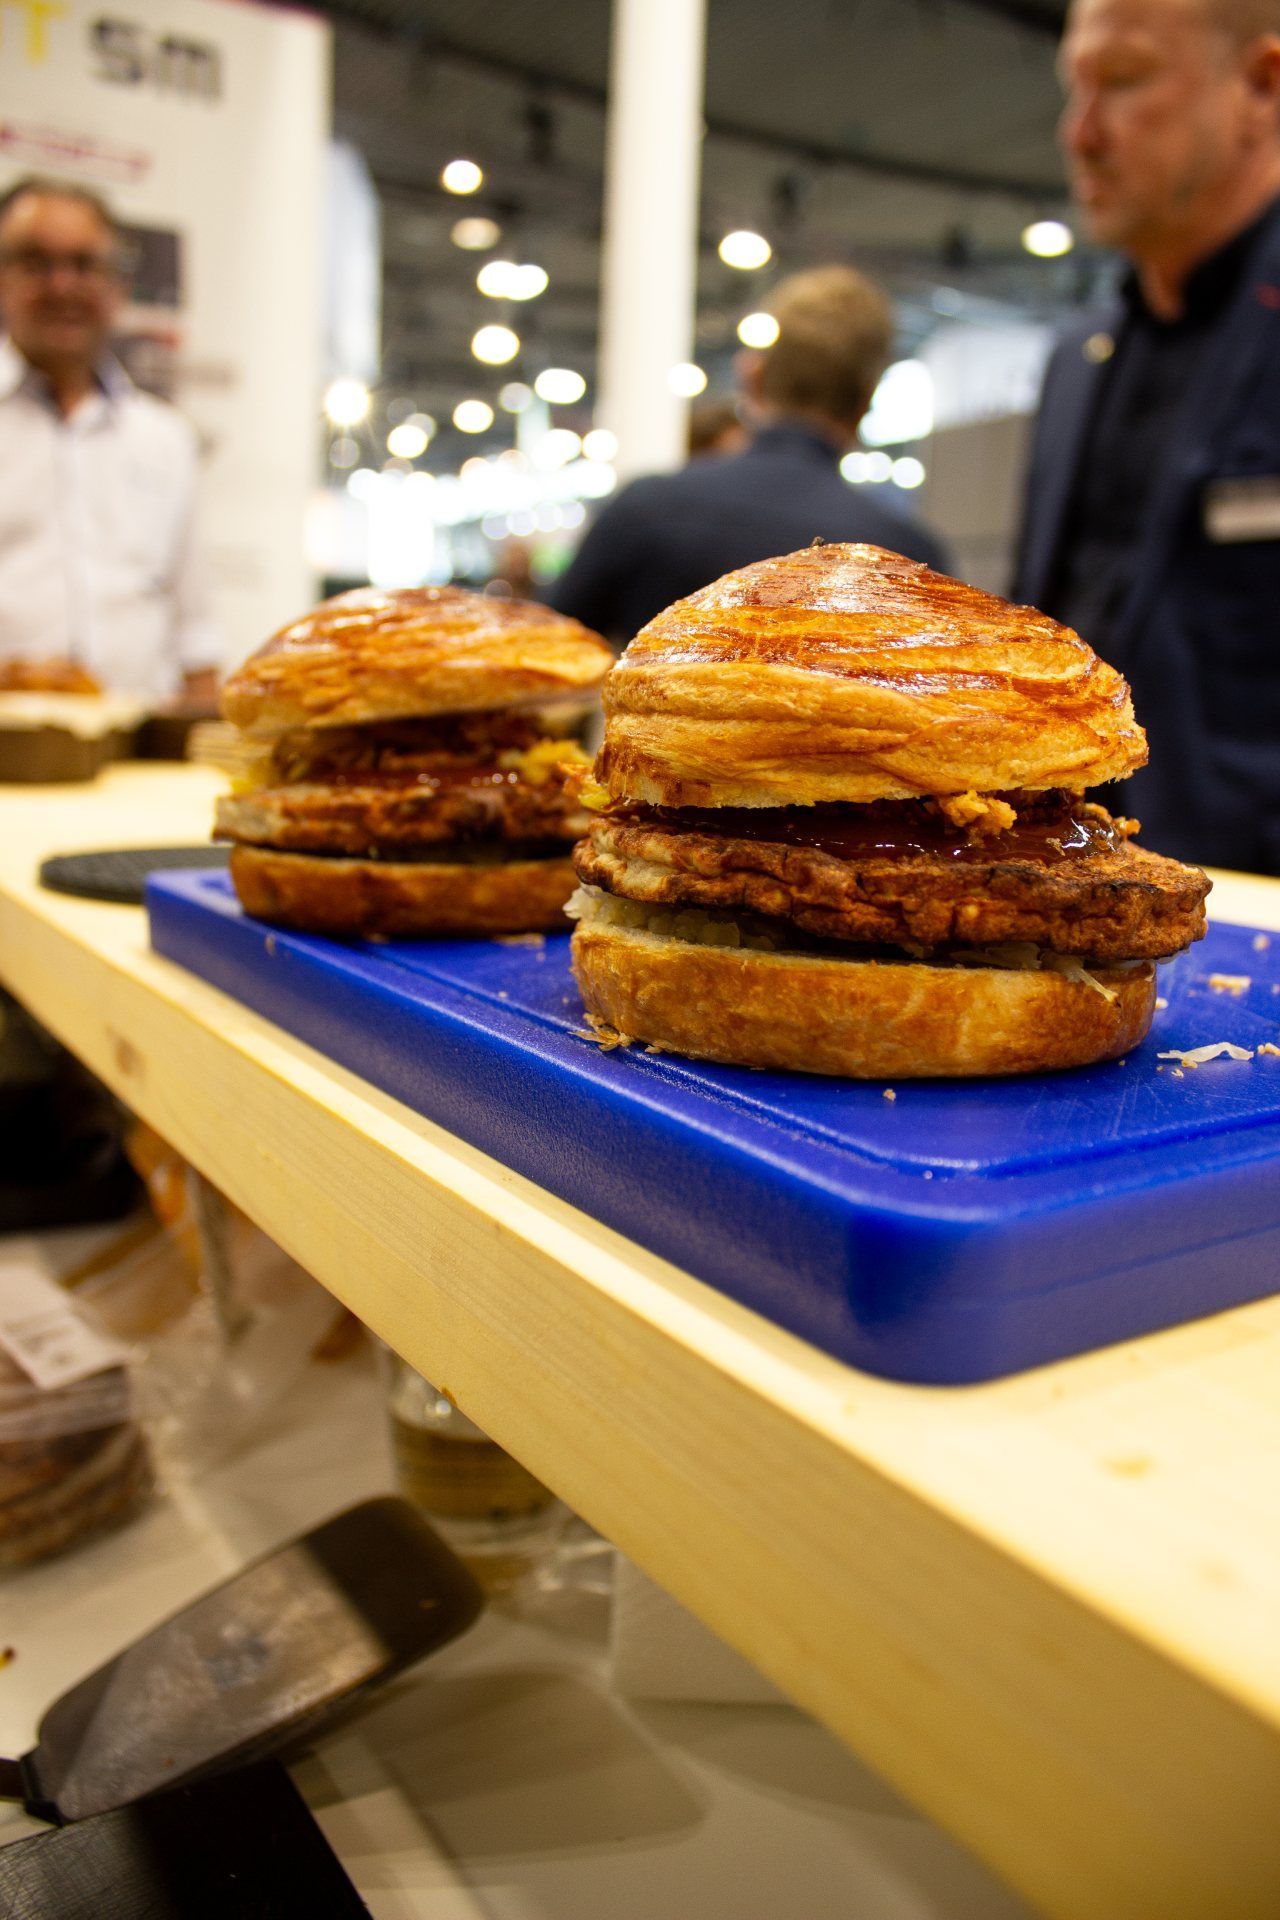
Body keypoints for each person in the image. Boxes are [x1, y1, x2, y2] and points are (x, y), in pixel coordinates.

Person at [1014, 0, 1280, 872]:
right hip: (1063, 898)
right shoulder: (1073, 362)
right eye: (1073, 88)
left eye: (1123, 81)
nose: (1079, 132)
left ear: (1262, 84)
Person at [550, 265, 950, 644]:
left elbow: (554, 656)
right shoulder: (912, 557)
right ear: (866, 399)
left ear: (752, 377)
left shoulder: (644, 508)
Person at [0, 177, 220, 703]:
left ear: (116, 283)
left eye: (84, 265)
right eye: (37, 263)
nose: (63, 287)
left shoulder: (165, 438)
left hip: (138, 761)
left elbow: (195, 629)